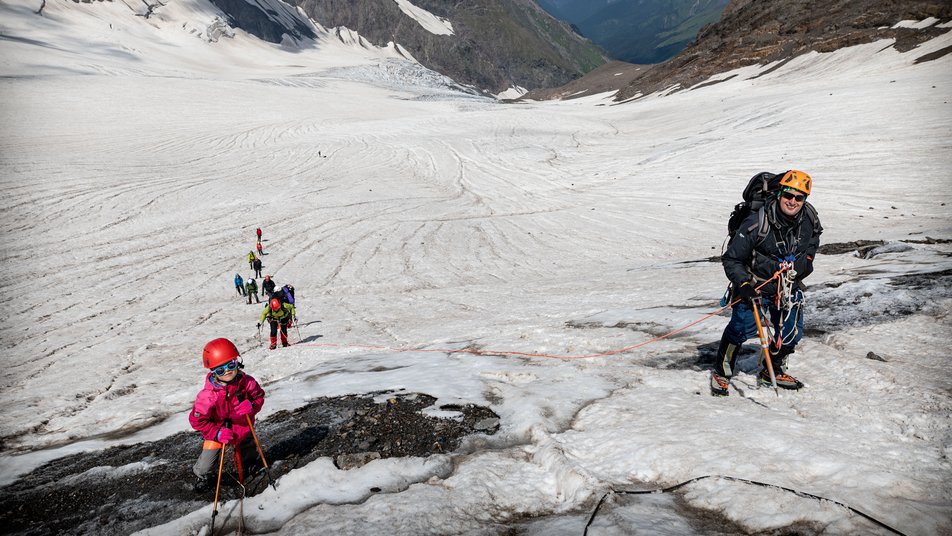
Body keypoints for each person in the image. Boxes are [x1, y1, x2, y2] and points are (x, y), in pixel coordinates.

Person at [712, 170, 822, 395]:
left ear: (805, 200)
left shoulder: (809, 218)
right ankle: (722, 373)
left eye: (799, 197)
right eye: (788, 195)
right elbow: (732, 258)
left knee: (791, 333)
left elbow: (814, 238)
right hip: (755, 285)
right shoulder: (757, 222)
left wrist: (806, 262)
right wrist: (743, 284)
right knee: (741, 329)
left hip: (787, 285)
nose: (792, 201)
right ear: (780, 194)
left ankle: (772, 369)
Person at [188, 338, 265, 491]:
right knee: (207, 463)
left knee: (248, 448)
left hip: (243, 425)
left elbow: (259, 397)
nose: (228, 371)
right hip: (218, 431)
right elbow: (197, 421)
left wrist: (252, 406)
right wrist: (216, 433)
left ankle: (250, 465)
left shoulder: (247, 382)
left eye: (231, 365)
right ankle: (201, 475)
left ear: (238, 362)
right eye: (220, 370)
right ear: (213, 372)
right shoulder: (207, 397)